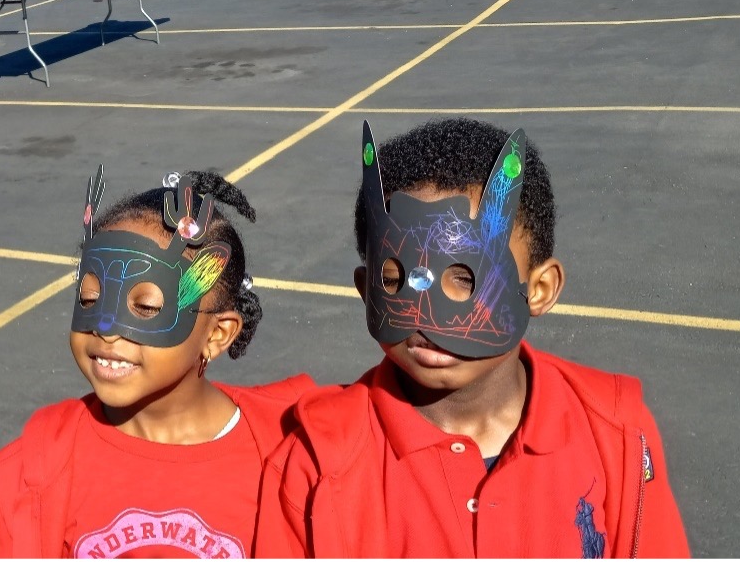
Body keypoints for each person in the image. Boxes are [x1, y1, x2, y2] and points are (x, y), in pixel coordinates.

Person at [255, 119, 689, 558]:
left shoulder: (616, 432)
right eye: (394, 278)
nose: (426, 316)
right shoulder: (318, 463)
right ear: (365, 289)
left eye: (464, 278)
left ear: (540, 289)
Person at [0, 168, 315, 558]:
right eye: (90, 299)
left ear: (217, 334)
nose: (106, 328)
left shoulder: (294, 453)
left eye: (145, 308)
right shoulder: (40, 467)